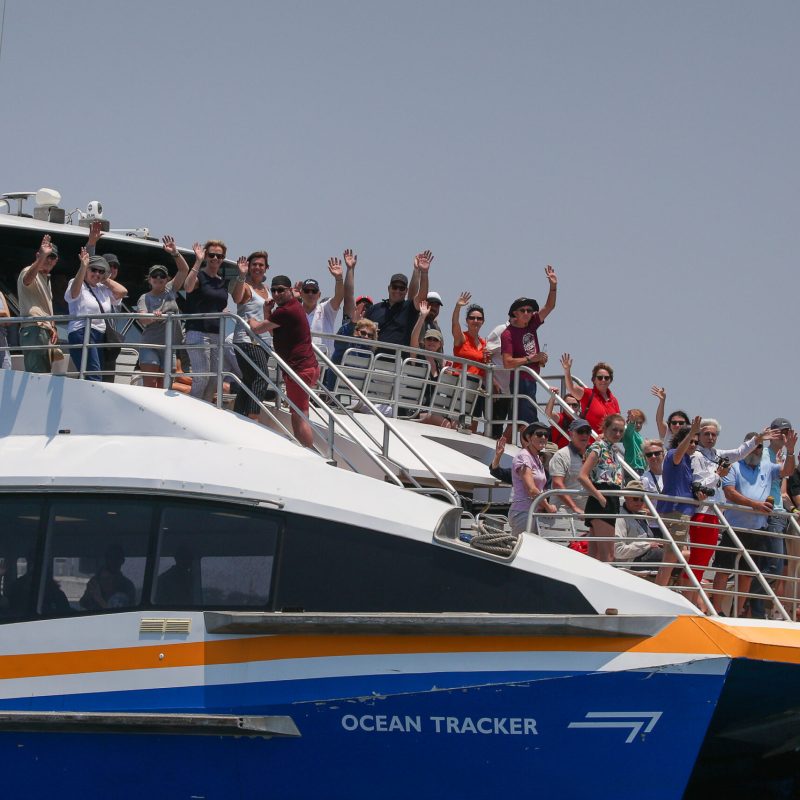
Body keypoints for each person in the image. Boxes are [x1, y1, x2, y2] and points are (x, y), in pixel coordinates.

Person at [719, 431, 797, 617]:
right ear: (746, 447)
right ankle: (717, 610)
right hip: (734, 526)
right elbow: (729, 493)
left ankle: (737, 613)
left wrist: (791, 451)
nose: (756, 449)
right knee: (722, 569)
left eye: (760, 446)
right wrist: (754, 505)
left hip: (757, 528)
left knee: (747, 574)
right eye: (753, 445)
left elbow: (787, 471)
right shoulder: (733, 466)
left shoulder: (767, 467)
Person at [262, 274, 319, 448]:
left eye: (281, 290)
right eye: (273, 290)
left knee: (299, 415)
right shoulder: (293, 306)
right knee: (300, 412)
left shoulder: (285, 311)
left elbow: (258, 328)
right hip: (305, 368)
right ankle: (307, 450)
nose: (277, 294)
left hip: (299, 370)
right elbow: (272, 331)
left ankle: (309, 453)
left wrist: (248, 319)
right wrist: (267, 312)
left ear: (289, 291)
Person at [500, 266, 558, 431]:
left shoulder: (531, 325)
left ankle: (504, 444)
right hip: (520, 380)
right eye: (523, 310)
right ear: (514, 314)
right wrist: (530, 359)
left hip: (531, 379)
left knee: (518, 420)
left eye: (530, 310)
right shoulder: (507, 334)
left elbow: (550, 306)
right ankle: (530, 447)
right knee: (527, 421)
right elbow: (507, 363)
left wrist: (553, 286)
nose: (528, 313)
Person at [135, 236, 190, 388]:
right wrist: (153, 317)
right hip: (150, 345)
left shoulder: (171, 290)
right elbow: (143, 319)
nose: (158, 278)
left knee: (166, 386)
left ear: (167, 279)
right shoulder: (144, 297)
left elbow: (184, 270)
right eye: (154, 276)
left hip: (169, 346)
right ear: (149, 279)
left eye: (162, 276)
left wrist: (175, 252)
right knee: (151, 385)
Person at [64, 249, 127, 381]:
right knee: (93, 375)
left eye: (101, 271)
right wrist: (83, 267)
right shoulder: (77, 284)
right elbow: (73, 294)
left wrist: (104, 279)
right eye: (93, 270)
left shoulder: (102, 288)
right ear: (87, 269)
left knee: (98, 375)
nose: (97, 273)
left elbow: (122, 292)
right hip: (82, 332)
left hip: (100, 335)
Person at [654, 417, 702, 587]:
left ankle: (662, 588)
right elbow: (678, 453)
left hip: (682, 510)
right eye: (690, 441)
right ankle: (660, 591)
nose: (694, 445)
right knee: (672, 555)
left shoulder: (688, 460)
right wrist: (690, 433)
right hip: (676, 510)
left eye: (696, 442)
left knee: (673, 554)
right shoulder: (675, 453)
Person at [183, 240, 229, 402]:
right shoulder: (199, 276)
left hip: (217, 333)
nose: (215, 258)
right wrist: (198, 261)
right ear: (206, 256)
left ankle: (204, 412)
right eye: (211, 255)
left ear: (223, 258)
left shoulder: (222, 281)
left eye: (219, 256)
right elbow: (187, 287)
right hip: (197, 332)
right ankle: (190, 411)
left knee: (214, 380)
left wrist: (223, 312)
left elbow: (219, 304)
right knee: (202, 377)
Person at [230, 250, 273, 419]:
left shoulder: (267, 289)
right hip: (246, 339)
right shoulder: (245, 285)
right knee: (261, 377)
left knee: (249, 380)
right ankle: (252, 418)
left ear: (266, 268)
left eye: (261, 265)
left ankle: (239, 416)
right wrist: (241, 276)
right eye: (254, 264)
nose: (257, 267)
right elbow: (236, 298)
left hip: (264, 341)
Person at [578, 413, 626, 562]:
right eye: (614, 430)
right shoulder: (598, 447)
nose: (617, 434)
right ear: (605, 429)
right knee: (608, 556)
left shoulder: (612, 450)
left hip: (609, 500)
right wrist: (599, 496)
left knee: (595, 555)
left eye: (620, 431)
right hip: (602, 501)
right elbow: (582, 476)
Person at [366, 251, 431, 348]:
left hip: (399, 361)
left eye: (402, 288)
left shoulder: (409, 307)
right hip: (374, 359)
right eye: (395, 287)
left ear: (406, 291)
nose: (397, 290)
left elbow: (422, 297)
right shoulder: (374, 309)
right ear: (389, 288)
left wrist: (424, 273)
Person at [543, 417, 593, 542]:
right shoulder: (562, 455)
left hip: (584, 517)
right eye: (580, 431)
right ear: (571, 434)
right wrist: (575, 507)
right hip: (562, 515)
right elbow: (557, 484)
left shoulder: (591, 456)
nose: (585, 435)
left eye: (587, 432)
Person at [297, 251, 354, 354]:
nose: (310, 294)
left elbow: (339, 297)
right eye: (307, 291)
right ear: (301, 294)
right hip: (300, 362)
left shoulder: (325, 309)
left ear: (319, 295)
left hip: (323, 363)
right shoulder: (294, 311)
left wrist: (338, 278)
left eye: (314, 291)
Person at [18, 234, 60, 372]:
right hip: (35, 330)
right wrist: (42, 257)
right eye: (45, 256)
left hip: (44, 331)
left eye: (51, 257)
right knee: (37, 377)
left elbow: (44, 307)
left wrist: (53, 327)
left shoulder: (46, 278)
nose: (48, 259)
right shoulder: (29, 272)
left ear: (56, 260)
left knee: (44, 375)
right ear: (38, 256)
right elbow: (27, 278)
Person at [508, 421, 557, 535]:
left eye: (546, 435)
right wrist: (548, 507)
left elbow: (538, 489)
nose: (543, 437)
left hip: (533, 512)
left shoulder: (536, 459)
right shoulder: (524, 456)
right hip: (523, 513)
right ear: (529, 437)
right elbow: (531, 489)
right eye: (539, 434)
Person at [411, 302, 453, 428]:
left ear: (440, 344)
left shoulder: (440, 366)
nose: (432, 342)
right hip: (416, 412)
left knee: (455, 423)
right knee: (446, 424)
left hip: (433, 411)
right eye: (429, 339)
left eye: (435, 340)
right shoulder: (417, 358)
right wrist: (422, 317)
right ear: (424, 341)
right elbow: (413, 339)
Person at [562, 355, 620, 436]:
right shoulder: (588, 394)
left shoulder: (614, 401)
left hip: (608, 445)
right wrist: (567, 370)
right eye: (600, 378)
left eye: (606, 378)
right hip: (589, 444)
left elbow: (618, 424)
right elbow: (571, 388)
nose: (603, 380)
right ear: (594, 380)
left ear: (610, 380)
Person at [614, 480, 664, 568]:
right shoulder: (620, 517)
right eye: (636, 499)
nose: (640, 502)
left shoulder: (640, 515)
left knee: (677, 553)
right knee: (678, 555)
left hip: (644, 555)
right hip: (632, 561)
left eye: (642, 499)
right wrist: (648, 545)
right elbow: (618, 551)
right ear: (626, 497)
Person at [79, 544, 136, 611]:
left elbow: (121, 616)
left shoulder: (127, 586)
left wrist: (99, 598)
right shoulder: (95, 581)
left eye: (116, 558)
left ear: (122, 561)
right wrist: (89, 594)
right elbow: (83, 604)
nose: (113, 561)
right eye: (110, 557)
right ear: (106, 559)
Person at [622, 409, 647, 474]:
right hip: (633, 467)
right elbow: (629, 430)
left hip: (641, 468)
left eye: (640, 423)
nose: (638, 425)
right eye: (636, 422)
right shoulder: (630, 433)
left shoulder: (639, 436)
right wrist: (632, 422)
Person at [0, 291, 11, 369]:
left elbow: (8, 318)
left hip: (2, 343)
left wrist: (4, 314)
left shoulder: (0, 294)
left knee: (6, 374)